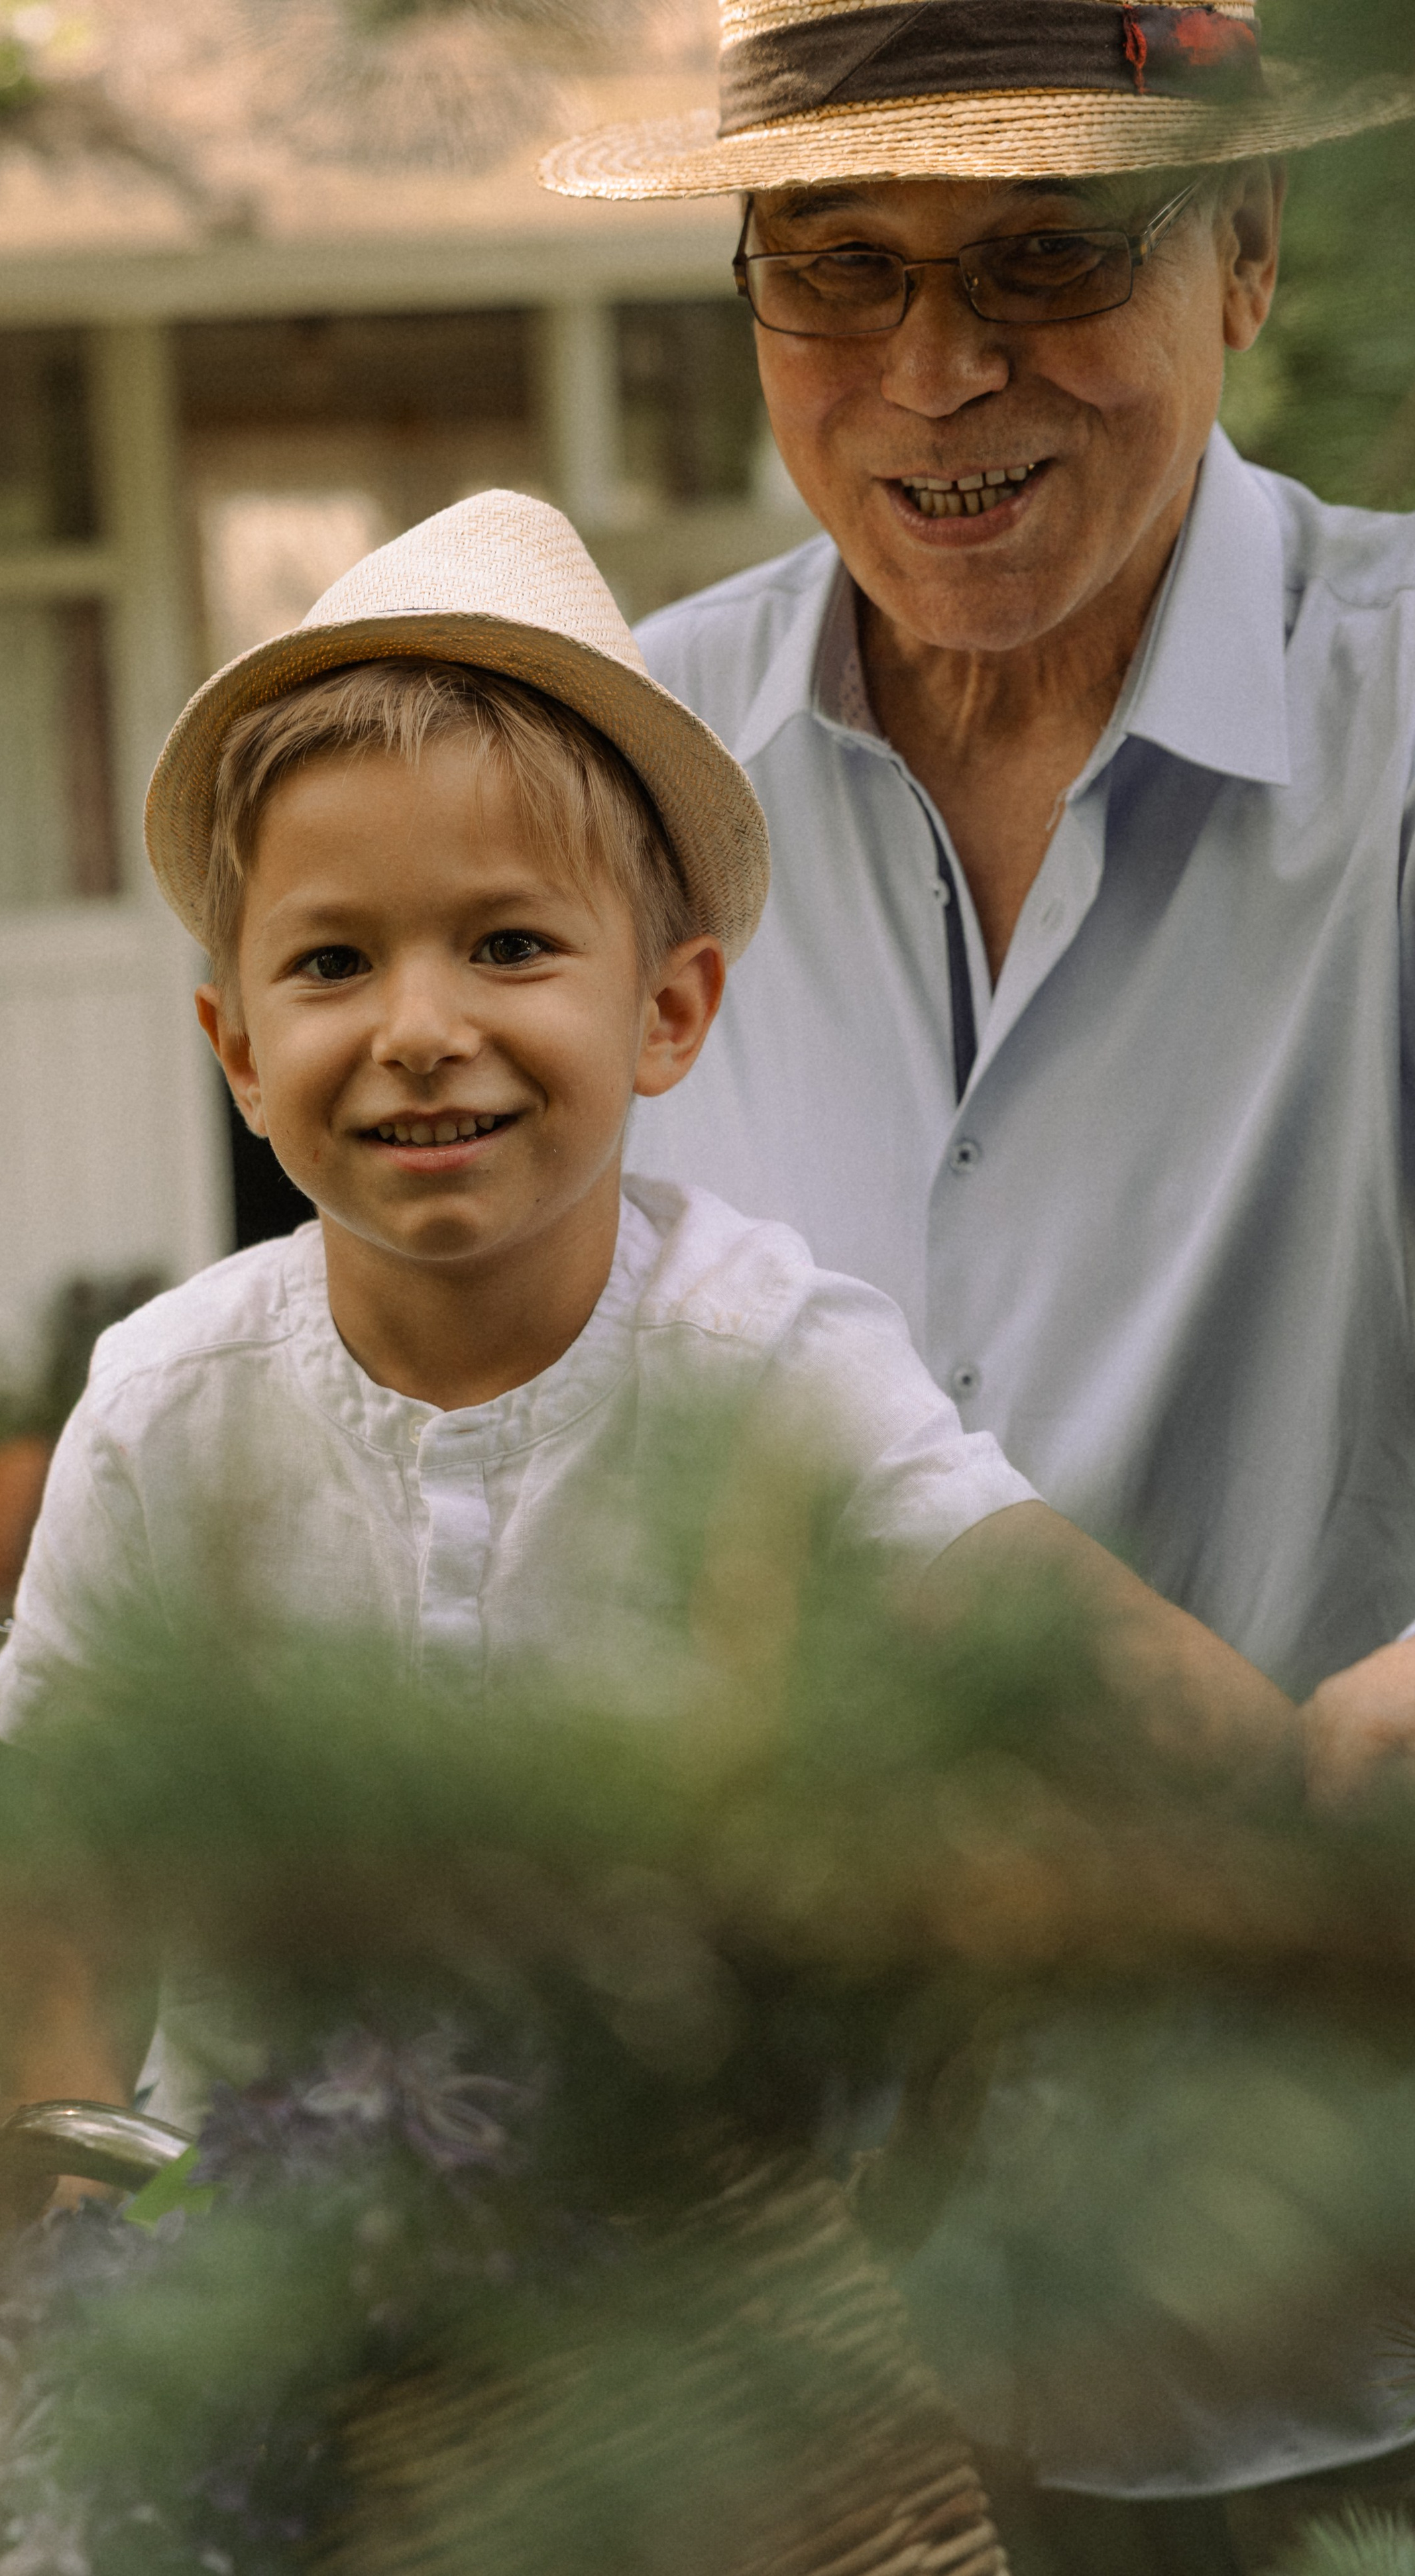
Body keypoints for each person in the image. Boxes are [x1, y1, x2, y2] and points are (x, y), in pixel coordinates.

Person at [0, 489, 1317, 2285]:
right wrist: (54, 2178)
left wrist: (1297, 1809)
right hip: (252, 2285)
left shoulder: (766, 1360)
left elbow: (1063, 1646)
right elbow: (70, 1866)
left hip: (687, 2304)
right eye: (335, 962)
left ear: (669, 1011)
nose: (423, 1028)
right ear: (241, 1050)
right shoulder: (168, 1404)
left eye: (509, 945)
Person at [539, 0, 1415, 2559]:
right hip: (784, 2354)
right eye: (840, 264)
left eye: (1049, 253)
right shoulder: (613, 774)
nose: (937, 369)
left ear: (1244, 252)